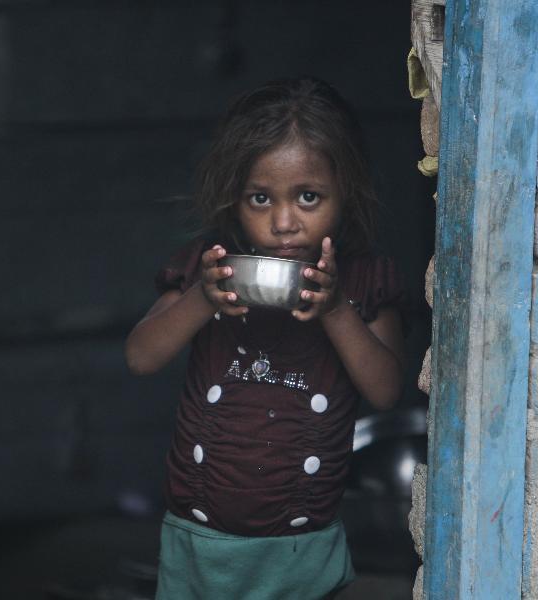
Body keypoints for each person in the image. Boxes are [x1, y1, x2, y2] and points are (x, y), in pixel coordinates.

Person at [124, 77, 405, 600]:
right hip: (200, 540)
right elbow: (141, 356)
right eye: (260, 198)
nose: (283, 223)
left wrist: (336, 308)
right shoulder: (209, 268)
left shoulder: (364, 281)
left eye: (308, 196)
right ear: (234, 201)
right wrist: (203, 298)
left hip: (302, 548)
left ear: (346, 191)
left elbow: (387, 390)